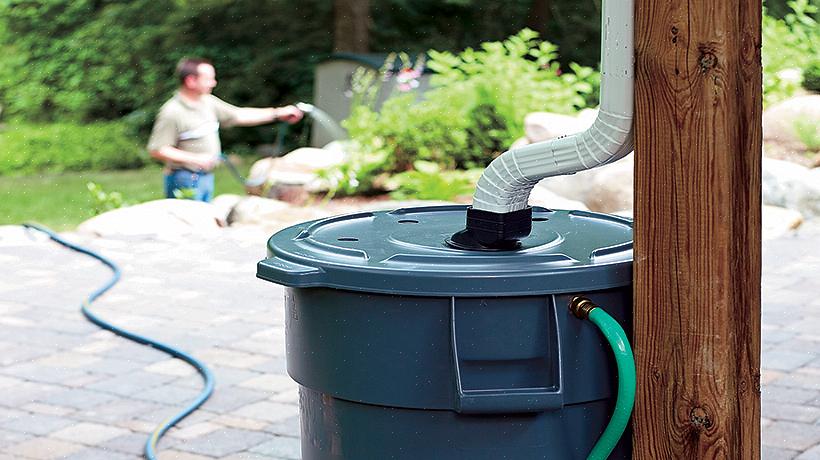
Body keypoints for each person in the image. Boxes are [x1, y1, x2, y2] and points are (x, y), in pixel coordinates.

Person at [147, 57, 303, 201]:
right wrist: (195, 159)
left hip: (205, 177)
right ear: (191, 81)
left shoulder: (207, 102)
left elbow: (239, 115)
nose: (214, 83)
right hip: (184, 178)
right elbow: (157, 149)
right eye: (208, 79)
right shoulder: (172, 111)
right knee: (188, 228)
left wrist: (278, 113)